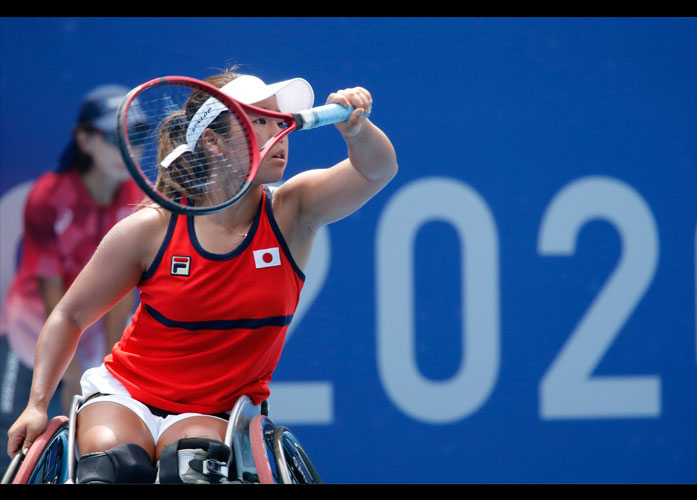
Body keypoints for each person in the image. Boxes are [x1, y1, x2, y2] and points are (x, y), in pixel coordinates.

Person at [6, 68, 398, 484]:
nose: (279, 132)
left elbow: (378, 171)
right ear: (212, 140)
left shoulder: (293, 210)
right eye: (258, 120)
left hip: (213, 411)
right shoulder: (149, 230)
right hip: (127, 395)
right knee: (112, 469)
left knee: (189, 471)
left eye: (280, 121)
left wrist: (357, 130)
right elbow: (70, 316)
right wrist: (37, 404)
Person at [0, 84, 144, 472]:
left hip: (90, 332)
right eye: (116, 137)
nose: (128, 148)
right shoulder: (48, 196)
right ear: (84, 139)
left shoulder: (138, 200)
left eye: (138, 135)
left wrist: (110, 365)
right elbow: (55, 297)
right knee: (13, 439)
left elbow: (123, 292)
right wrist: (71, 366)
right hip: (30, 330)